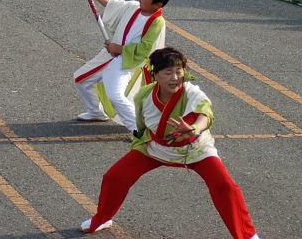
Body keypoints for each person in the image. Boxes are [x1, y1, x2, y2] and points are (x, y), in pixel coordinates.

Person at [81, 47, 261, 238]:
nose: (175, 77)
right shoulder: (144, 95)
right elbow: (141, 125)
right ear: (155, 74)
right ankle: (102, 219)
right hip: (156, 148)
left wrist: (195, 129)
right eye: (168, 73)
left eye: (179, 71)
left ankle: (248, 235)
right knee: (115, 177)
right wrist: (139, 139)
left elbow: (205, 114)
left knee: (225, 186)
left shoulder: (192, 93)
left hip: (195, 150)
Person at [73, 0, 171, 131]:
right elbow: (110, 3)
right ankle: (95, 112)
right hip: (110, 56)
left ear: (158, 4)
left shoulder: (157, 23)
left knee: (116, 95)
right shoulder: (133, 7)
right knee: (81, 79)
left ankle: (137, 130)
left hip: (127, 63)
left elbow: (144, 50)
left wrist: (118, 49)